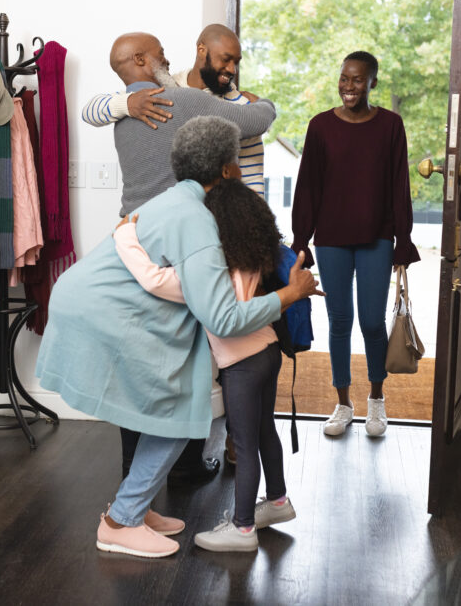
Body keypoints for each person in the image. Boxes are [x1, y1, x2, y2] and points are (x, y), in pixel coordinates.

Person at [36, 116, 320, 558]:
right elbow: (223, 316)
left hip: (91, 303)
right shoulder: (199, 224)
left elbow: (170, 281)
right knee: (176, 415)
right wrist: (287, 295)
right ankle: (120, 522)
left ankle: (135, 506)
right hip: (107, 315)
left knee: (166, 412)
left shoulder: (172, 201)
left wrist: (125, 238)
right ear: (228, 169)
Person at [99, 31, 278, 483]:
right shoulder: (185, 102)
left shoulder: (121, 116)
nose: (166, 56)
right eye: (158, 51)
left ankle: (130, 469)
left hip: (134, 242)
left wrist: (121, 102)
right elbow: (257, 119)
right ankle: (182, 469)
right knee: (187, 359)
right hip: (179, 243)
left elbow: (96, 109)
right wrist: (262, 104)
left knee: (139, 362)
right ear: (140, 60)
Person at [114, 177, 313, 552]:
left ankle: (241, 530)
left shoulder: (210, 271)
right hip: (269, 352)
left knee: (244, 440)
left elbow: (154, 279)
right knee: (264, 429)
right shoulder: (255, 255)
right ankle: (278, 502)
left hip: (242, 364)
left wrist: (125, 236)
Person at [291, 51, 420, 438]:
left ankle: (376, 401)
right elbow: (308, 187)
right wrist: (301, 239)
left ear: (372, 83)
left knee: (371, 322)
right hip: (331, 238)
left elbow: (400, 185)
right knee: (339, 321)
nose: (349, 86)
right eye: (344, 79)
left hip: (377, 236)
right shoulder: (320, 127)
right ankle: (343, 404)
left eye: (358, 80)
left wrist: (404, 240)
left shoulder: (391, 126)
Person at [82, 24, 268, 196]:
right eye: (226, 59)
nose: (232, 69)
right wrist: (127, 103)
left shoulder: (242, 105)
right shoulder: (162, 91)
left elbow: (252, 175)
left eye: (236, 62)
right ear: (201, 50)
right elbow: (89, 111)